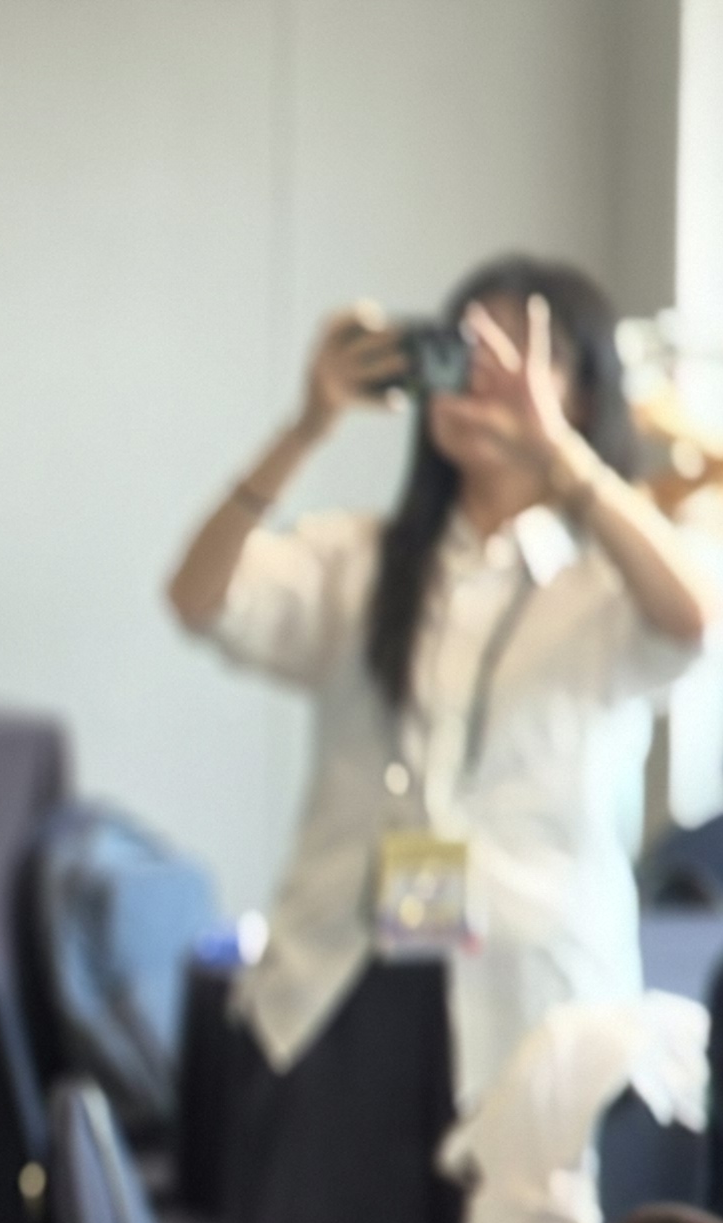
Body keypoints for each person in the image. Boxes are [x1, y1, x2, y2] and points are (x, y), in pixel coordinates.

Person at [167, 257, 720, 1105]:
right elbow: (197, 598)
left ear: (584, 393)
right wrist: (307, 426)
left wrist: (560, 458)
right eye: (466, 348)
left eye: (525, 355)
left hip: (536, 998)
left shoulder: (609, 573)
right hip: (340, 980)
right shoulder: (361, 559)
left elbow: (694, 622)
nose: (488, 376)